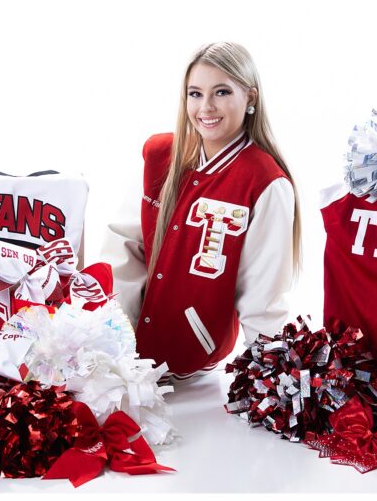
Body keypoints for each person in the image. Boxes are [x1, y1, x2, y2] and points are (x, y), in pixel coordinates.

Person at [101, 42, 301, 383]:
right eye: (195, 93)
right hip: (123, 358)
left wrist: (270, 382)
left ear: (250, 97)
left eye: (221, 92)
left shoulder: (265, 182)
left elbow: (263, 295)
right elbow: (125, 247)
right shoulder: (160, 155)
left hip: (191, 369)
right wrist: (115, 334)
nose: (205, 107)